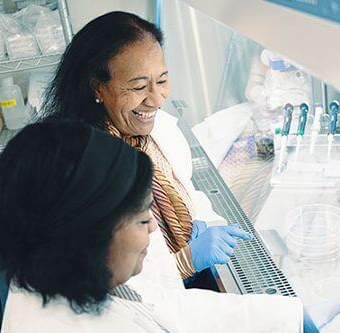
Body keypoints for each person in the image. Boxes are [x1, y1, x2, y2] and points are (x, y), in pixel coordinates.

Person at [0, 121, 340, 333]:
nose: (154, 230)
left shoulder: (46, 273)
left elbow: (169, 315)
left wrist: (300, 316)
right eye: (141, 221)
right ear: (84, 235)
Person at [43, 11, 237, 280]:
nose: (156, 99)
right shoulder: (85, 174)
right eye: (138, 87)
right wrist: (186, 261)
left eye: (162, 81)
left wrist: (205, 220)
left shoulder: (151, 135)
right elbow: (121, 288)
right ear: (97, 87)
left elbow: (186, 187)